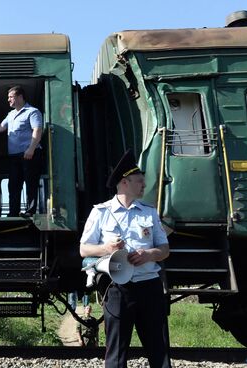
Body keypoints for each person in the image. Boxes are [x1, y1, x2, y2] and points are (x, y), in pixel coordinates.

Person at [79, 149, 171, 368]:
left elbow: (165, 249)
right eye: (139, 181)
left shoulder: (149, 212)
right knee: (117, 354)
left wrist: (149, 254)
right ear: (124, 183)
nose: (144, 186)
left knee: (159, 349)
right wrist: (106, 248)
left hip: (149, 286)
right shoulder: (100, 212)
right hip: (118, 289)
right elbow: (84, 249)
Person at [0, 86, 43, 217]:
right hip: (14, 156)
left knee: (30, 183)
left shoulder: (32, 112)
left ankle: (30, 211)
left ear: (20, 97)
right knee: (13, 185)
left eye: (11, 97)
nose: (8, 100)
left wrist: (31, 149)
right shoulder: (11, 114)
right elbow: (0, 127)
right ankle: (13, 212)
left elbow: (37, 130)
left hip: (29, 154)